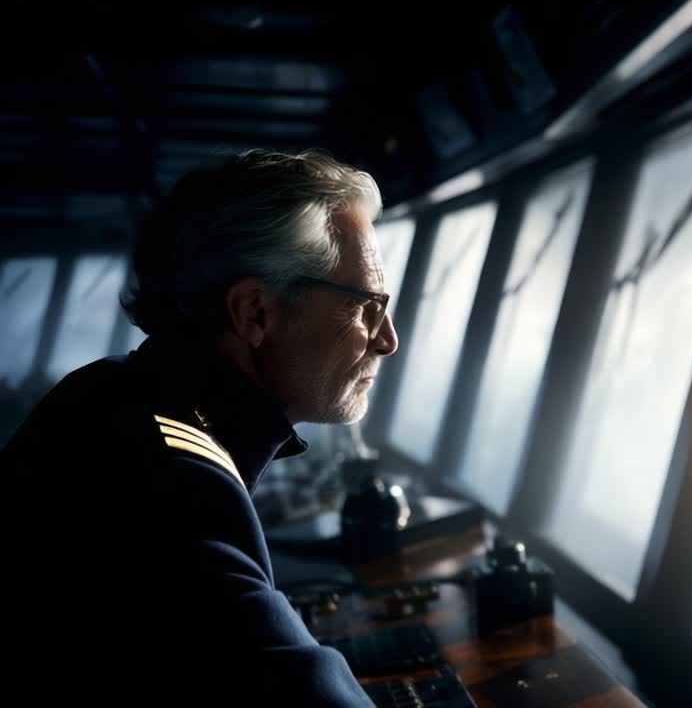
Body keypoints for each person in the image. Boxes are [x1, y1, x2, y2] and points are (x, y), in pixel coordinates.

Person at [0, 150, 398, 706]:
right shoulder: (171, 479)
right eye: (367, 308)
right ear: (253, 312)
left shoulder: (111, 392)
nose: (387, 340)